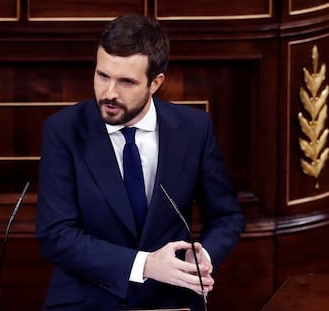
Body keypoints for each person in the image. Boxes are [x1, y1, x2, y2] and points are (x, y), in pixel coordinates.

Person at [36, 14, 245, 311]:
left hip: (171, 298)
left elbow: (226, 216)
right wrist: (145, 264)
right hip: (87, 298)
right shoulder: (63, 130)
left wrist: (203, 258)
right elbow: (56, 235)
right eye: (103, 76)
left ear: (155, 82)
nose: (109, 93)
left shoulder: (194, 129)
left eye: (126, 82)